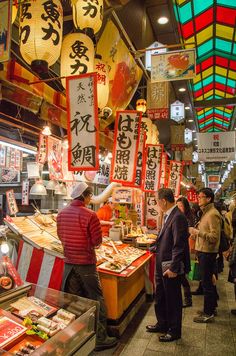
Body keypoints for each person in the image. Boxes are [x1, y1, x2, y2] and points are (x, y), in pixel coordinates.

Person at [57, 182, 118, 351]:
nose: (91, 199)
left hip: (69, 263)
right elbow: (96, 242)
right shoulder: (90, 215)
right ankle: (100, 338)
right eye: (90, 196)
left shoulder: (61, 214)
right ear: (85, 196)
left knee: (72, 299)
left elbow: (60, 236)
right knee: (96, 299)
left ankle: (74, 335)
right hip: (86, 264)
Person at [146, 188, 190, 342]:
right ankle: (162, 323)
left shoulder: (178, 217)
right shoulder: (168, 215)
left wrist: (173, 268)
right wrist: (154, 247)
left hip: (170, 265)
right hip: (161, 263)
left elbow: (179, 245)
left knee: (173, 299)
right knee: (161, 296)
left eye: (157, 201)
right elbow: (165, 238)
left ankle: (174, 330)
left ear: (163, 201)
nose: (157, 204)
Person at [189, 188, 221, 323]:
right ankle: (211, 308)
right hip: (203, 251)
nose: (198, 199)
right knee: (208, 282)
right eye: (199, 196)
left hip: (208, 252)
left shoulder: (213, 214)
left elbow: (214, 237)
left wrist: (197, 232)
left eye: (201, 197)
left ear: (209, 199)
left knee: (207, 284)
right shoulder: (206, 212)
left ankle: (208, 313)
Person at [176, 197, 193, 308]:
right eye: (177, 206)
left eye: (181, 206)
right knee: (180, 275)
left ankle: (188, 299)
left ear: (185, 206)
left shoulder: (187, 218)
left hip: (183, 249)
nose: (179, 208)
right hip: (180, 249)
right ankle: (186, 298)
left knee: (182, 275)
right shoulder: (177, 217)